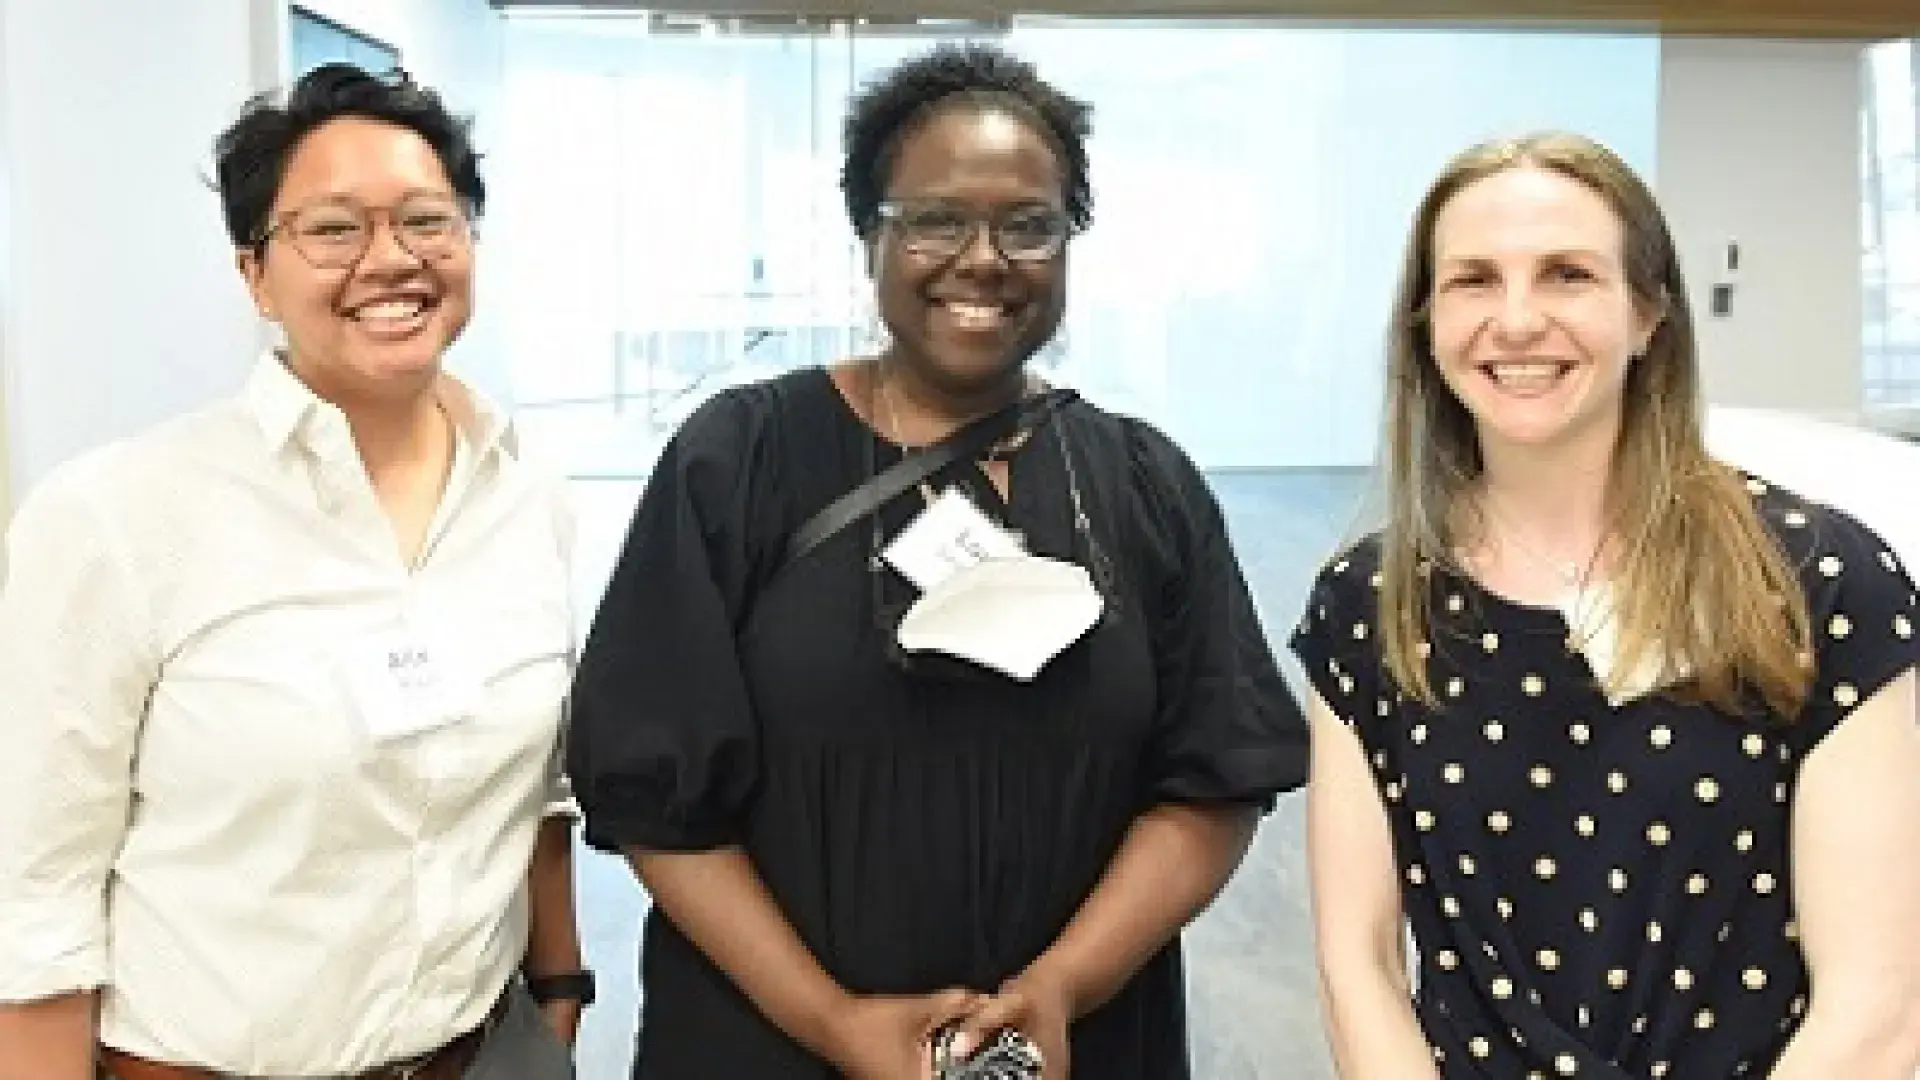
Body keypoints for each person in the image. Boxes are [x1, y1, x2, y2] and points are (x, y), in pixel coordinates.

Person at [566, 42, 1308, 1080]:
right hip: (773, 1044)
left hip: (1072, 1046)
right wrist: (833, 1020)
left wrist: (1063, 987)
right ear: (869, 235)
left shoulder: (1144, 483)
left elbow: (1217, 778)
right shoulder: (738, 462)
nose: (984, 258)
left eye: (1029, 224)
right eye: (935, 220)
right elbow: (653, 793)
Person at [1292, 131, 1920, 1079]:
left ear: (1648, 313)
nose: (1516, 321)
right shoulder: (1370, 607)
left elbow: (1877, 1006)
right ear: (1427, 322)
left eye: (1568, 275)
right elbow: (1359, 970)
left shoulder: (1819, 581)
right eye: (1473, 280)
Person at [0, 65, 586, 1080]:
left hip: (485, 1055)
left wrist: (562, 996)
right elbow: (36, 893)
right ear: (255, 275)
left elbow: (538, 791)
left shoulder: (527, 494)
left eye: (427, 220)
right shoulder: (117, 515)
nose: (390, 259)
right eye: (333, 229)